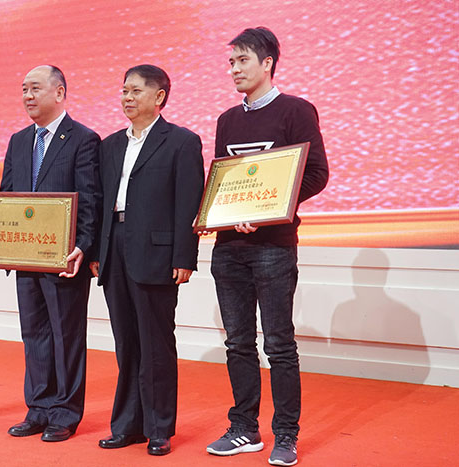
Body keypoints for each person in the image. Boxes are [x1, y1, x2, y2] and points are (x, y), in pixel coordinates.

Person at [204, 27, 329, 466]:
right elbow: (224, 181)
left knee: (278, 344)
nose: (234, 70)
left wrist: (270, 210)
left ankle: (286, 434)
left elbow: (316, 174)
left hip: (274, 246)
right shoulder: (226, 120)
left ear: (267, 63)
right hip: (228, 247)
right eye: (231, 62)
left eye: (242, 61)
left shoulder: (295, 110)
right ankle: (244, 428)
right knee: (238, 343)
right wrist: (215, 215)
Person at [89, 64, 204, 456]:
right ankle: (127, 425)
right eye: (124, 90)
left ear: (159, 96)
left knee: (155, 343)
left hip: (156, 253)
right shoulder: (109, 145)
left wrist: (184, 256)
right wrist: (97, 252)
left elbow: (188, 202)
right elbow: (101, 202)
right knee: (126, 343)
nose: (127, 97)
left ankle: (159, 428)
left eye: (136, 91)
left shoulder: (182, 142)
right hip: (115, 248)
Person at [0, 65, 100, 442]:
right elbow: (7, 197)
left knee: (66, 336)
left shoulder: (83, 139)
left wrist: (82, 246)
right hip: (25, 256)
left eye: (35, 88)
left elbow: (90, 200)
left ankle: (65, 413)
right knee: (34, 333)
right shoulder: (19, 141)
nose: (27, 96)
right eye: (23, 89)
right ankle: (38, 408)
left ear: (59, 92)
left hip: (64, 258)